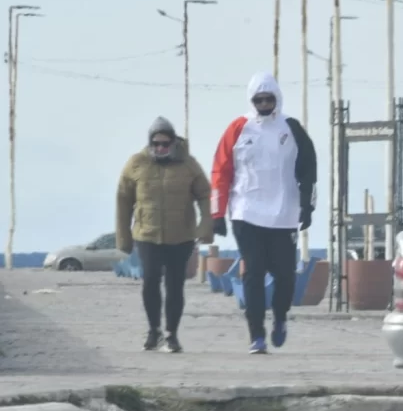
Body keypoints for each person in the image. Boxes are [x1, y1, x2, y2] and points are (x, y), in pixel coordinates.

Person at [211, 71, 317, 354]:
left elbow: (309, 170)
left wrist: (308, 204)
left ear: (277, 99)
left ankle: (280, 318)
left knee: (285, 275)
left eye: (269, 98)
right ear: (252, 100)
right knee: (253, 272)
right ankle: (256, 335)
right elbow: (220, 171)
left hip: (284, 213)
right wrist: (216, 213)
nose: (264, 103)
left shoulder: (291, 128)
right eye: (259, 99)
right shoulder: (238, 128)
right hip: (246, 211)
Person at [116, 116, 213, 353]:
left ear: (173, 143)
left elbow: (204, 194)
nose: (160, 148)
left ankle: (171, 334)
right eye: (156, 143)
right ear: (150, 143)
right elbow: (123, 199)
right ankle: (153, 331)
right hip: (147, 235)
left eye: (165, 143)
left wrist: (205, 225)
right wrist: (124, 237)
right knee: (150, 281)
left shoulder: (189, 164)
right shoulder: (136, 164)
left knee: (175, 285)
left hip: (181, 236)